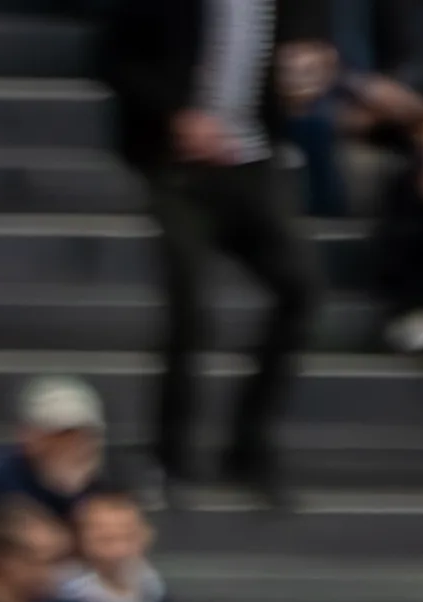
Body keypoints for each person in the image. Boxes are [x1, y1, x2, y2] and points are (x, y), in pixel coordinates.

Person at [100, 0, 326, 503]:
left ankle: (248, 443)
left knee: (300, 288)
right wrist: (174, 115)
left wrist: (306, 79)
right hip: (176, 166)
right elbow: (114, 59)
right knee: (191, 305)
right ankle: (169, 454)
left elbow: (304, 57)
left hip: (251, 162)